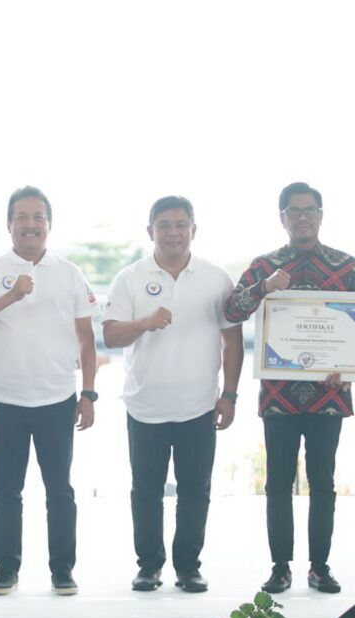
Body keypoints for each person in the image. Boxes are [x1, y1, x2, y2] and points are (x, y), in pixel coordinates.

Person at [224, 182, 355, 594]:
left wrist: (349, 366)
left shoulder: (345, 265)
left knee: (324, 483)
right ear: (282, 218)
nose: (303, 217)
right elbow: (231, 309)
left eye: (310, 210)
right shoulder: (264, 266)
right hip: (280, 395)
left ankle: (320, 566)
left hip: (329, 394)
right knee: (278, 483)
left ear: (321, 215)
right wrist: (264, 288)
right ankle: (280, 566)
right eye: (294, 211)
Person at [0, 186, 97, 596]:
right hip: (6, 399)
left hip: (57, 398)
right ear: (9, 225)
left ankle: (62, 570)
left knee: (60, 490)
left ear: (48, 224)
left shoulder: (70, 272)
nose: (30, 224)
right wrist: (11, 295)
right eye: (22, 217)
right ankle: (7, 570)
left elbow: (86, 338)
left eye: (38, 217)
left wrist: (88, 393)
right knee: (6, 489)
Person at [102, 196, 242, 593]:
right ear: (151, 232)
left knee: (195, 491)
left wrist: (229, 395)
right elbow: (110, 335)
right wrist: (145, 322)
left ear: (193, 230)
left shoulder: (216, 278)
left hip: (199, 406)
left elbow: (232, 341)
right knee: (145, 491)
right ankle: (149, 566)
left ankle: (188, 567)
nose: (173, 232)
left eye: (181, 224)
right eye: (164, 225)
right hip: (145, 405)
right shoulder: (129, 277)